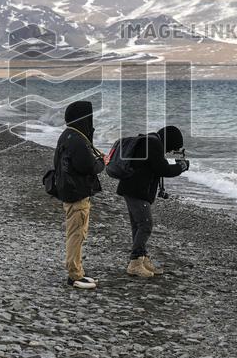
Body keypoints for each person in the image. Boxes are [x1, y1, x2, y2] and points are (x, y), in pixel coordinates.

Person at [115, 126, 189, 277]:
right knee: (145, 225)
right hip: (136, 191)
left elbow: (155, 167)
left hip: (131, 188)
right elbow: (163, 169)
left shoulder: (150, 141)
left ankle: (142, 259)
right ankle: (135, 262)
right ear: (168, 141)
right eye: (171, 148)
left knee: (138, 225)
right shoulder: (153, 144)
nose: (168, 152)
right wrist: (181, 166)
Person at [55, 101, 105, 290]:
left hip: (68, 192)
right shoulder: (77, 140)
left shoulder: (66, 135)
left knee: (75, 233)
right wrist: (102, 162)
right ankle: (74, 275)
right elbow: (89, 167)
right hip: (77, 195)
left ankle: (78, 271)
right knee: (77, 234)